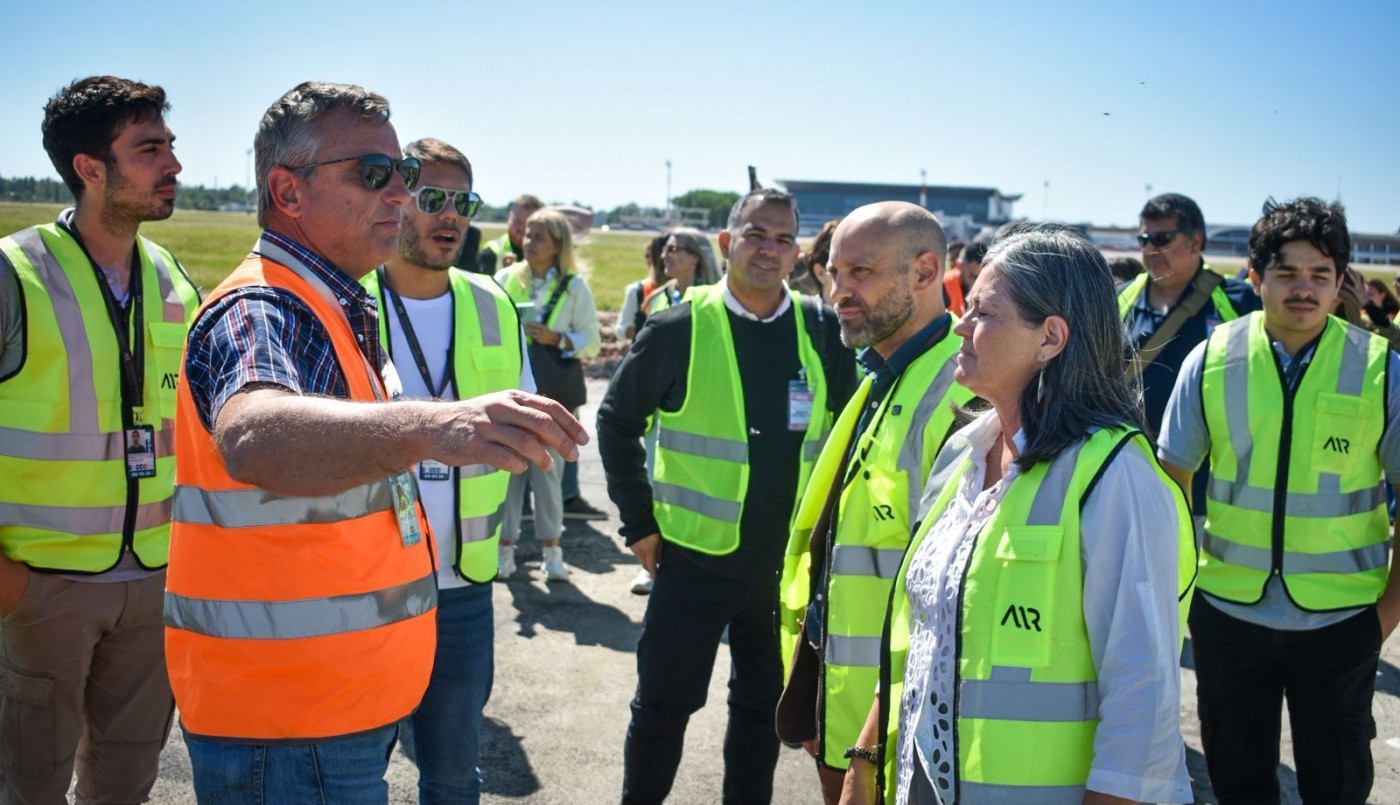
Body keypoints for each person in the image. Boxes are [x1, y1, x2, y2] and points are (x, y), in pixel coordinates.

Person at [167, 81, 586, 803]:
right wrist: (434, 424)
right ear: (287, 192)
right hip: (289, 725)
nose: (400, 194)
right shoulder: (260, 305)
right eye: (373, 173)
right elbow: (254, 434)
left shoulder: (334, 301)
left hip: (329, 710)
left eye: (407, 175)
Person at [842, 224, 1196, 805]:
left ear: (1050, 338)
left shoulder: (1116, 478)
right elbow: (925, 633)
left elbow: (1143, 708)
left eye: (983, 311)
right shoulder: (963, 453)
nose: (960, 324)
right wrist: (865, 758)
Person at [599, 188, 858, 804]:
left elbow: (850, 437)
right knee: (662, 707)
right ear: (726, 241)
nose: (769, 250)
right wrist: (638, 524)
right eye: (756, 234)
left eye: (783, 239)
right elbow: (614, 422)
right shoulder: (680, 327)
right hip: (693, 561)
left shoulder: (821, 329)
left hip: (783, 571)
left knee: (761, 718)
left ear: (798, 253)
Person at [1158, 197, 1400, 804]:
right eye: (1287, 272)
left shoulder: (1380, 369)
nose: (1304, 288)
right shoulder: (1212, 359)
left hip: (1342, 621)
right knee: (1238, 780)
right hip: (1227, 615)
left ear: (1340, 281)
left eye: (1321, 274)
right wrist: (1184, 594)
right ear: (1256, 276)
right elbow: (1171, 481)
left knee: (1337, 784)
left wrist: (1385, 617)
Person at [0, 74, 199, 805]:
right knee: (29, 787)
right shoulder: (13, 272)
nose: (173, 163)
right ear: (91, 169)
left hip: (151, 584)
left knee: (125, 785)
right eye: (150, 149)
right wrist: (11, 584)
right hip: (41, 590)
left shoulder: (173, 276)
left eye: (170, 145)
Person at [775, 202, 974, 804]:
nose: (839, 292)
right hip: (844, 700)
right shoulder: (881, 375)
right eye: (833, 274)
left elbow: (949, 594)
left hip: (896, 731)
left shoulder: (963, 389)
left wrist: (867, 745)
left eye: (859, 272)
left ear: (924, 272)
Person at [359, 136, 528, 803]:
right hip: (366, 584)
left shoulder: (494, 303)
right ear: (394, 197)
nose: (450, 216)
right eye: (433, 198)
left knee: (456, 777)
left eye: (463, 201)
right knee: (352, 772)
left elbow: (519, 415)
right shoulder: (346, 298)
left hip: (463, 587)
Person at [1118, 193, 1259, 510]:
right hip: (1126, 482)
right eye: (1145, 239)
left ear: (1196, 242)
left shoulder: (1241, 303)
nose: (1151, 249)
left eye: (1163, 238)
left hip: (1208, 493)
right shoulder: (1119, 299)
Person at [496, 208, 602, 581]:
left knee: (548, 475)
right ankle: (504, 550)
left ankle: (552, 553)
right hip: (511, 393)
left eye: (539, 237)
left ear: (558, 244)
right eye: (527, 235)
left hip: (555, 394)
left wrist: (557, 338)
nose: (529, 242)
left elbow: (593, 342)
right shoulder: (505, 278)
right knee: (507, 474)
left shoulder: (575, 287)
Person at [642, 226, 720, 315]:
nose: (663, 256)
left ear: (694, 257)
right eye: (664, 249)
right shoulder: (660, 298)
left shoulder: (714, 299)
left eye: (672, 249)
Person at [617, 234, 668, 341]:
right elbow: (621, 329)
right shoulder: (637, 290)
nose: (649, 261)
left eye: (652, 256)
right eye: (647, 256)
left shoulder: (683, 289)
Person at [477, 193, 543, 274]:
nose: (521, 228)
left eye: (528, 223)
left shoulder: (547, 256)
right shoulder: (492, 253)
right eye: (517, 221)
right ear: (509, 217)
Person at [941, 240, 987, 317]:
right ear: (959, 265)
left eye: (979, 277)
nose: (975, 282)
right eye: (972, 276)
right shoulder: (943, 286)